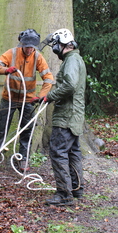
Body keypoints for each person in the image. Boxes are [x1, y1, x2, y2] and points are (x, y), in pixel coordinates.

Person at [0, 29, 55, 172]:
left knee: (26, 131)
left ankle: (23, 159)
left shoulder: (38, 57)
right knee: (0, 129)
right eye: (27, 46)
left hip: (28, 101)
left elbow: (48, 78)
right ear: (22, 43)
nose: (29, 50)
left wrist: (41, 95)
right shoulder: (12, 53)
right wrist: (6, 70)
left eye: (32, 47)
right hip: (8, 98)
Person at [35, 28, 87, 206]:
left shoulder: (72, 61)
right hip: (74, 116)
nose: (54, 49)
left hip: (66, 117)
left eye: (55, 45)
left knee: (58, 152)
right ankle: (76, 189)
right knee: (73, 153)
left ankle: (64, 195)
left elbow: (70, 85)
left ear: (64, 44)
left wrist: (48, 97)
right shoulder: (75, 59)